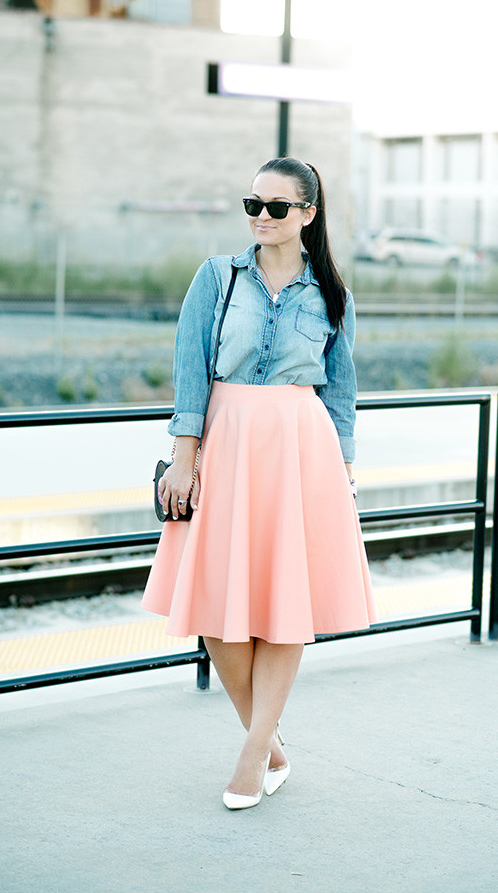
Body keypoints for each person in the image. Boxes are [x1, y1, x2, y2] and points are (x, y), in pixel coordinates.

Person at [141, 157, 376, 809]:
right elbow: (190, 369)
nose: (261, 217)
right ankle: (270, 742)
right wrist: (184, 456)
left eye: (276, 206)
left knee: (283, 603)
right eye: (253, 204)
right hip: (227, 442)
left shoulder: (333, 296)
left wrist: (345, 473)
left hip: (302, 452)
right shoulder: (217, 277)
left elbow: (340, 394)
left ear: (307, 213)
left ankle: (252, 754)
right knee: (217, 605)